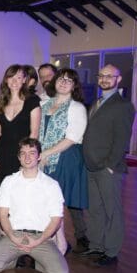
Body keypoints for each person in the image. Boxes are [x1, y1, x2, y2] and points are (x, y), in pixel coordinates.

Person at [0, 138, 69, 273]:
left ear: (39, 156)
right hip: (15, 235)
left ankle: (35, 262)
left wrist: (40, 240)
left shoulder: (51, 185)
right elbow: (3, 214)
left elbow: (56, 219)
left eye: (32, 153)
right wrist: (11, 235)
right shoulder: (9, 182)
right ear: (18, 158)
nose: (27, 157)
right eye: (23, 153)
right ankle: (17, 260)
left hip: (40, 237)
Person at [80, 64, 135, 266]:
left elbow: (122, 139)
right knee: (95, 209)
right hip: (91, 165)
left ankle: (111, 251)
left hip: (107, 168)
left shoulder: (122, 105)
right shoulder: (97, 102)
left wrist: (110, 165)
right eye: (101, 75)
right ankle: (96, 245)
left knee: (112, 211)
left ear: (118, 79)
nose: (104, 79)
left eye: (109, 76)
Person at [38, 68, 88, 253]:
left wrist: (46, 153)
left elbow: (73, 137)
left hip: (65, 158)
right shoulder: (44, 104)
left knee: (56, 204)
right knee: (46, 203)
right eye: (61, 79)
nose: (64, 82)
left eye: (69, 80)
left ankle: (60, 243)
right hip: (44, 157)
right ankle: (56, 241)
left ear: (74, 86)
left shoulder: (77, 108)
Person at [0, 64, 41, 195]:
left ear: (24, 80)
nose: (14, 81)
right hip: (1, 155)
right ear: (6, 80)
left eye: (19, 77)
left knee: (19, 194)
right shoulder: (1, 102)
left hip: (21, 155)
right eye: (11, 77)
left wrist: (28, 159)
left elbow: (34, 134)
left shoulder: (32, 101)